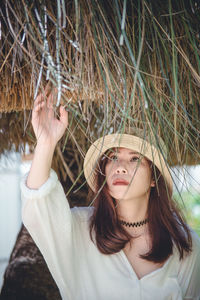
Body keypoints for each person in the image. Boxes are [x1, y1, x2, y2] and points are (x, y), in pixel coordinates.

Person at [21, 88, 200, 300]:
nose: (120, 167)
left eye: (135, 159)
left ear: (154, 179)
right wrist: (46, 143)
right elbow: (39, 205)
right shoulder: (79, 229)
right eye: (113, 157)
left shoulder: (184, 244)